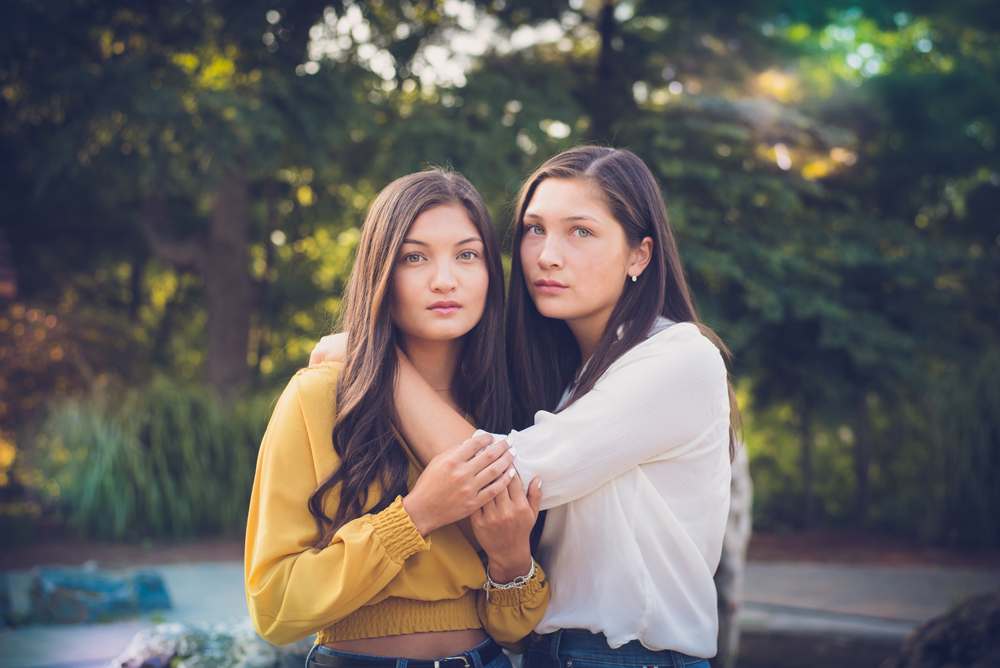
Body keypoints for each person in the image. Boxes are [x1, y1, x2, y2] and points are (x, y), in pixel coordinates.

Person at [311, 146, 739, 667]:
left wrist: (379, 362)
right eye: (535, 229)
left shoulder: (679, 358)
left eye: (580, 231)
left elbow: (503, 480)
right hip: (545, 651)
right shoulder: (566, 378)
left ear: (639, 255)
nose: (546, 254)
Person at [245, 170, 549, 668]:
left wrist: (512, 559)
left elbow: (516, 633)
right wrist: (416, 516)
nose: (444, 279)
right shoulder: (319, 395)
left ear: (492, 272)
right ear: (381, 272)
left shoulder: (514, 403)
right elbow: (274, 606)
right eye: (415, 257)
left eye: (467, 254)